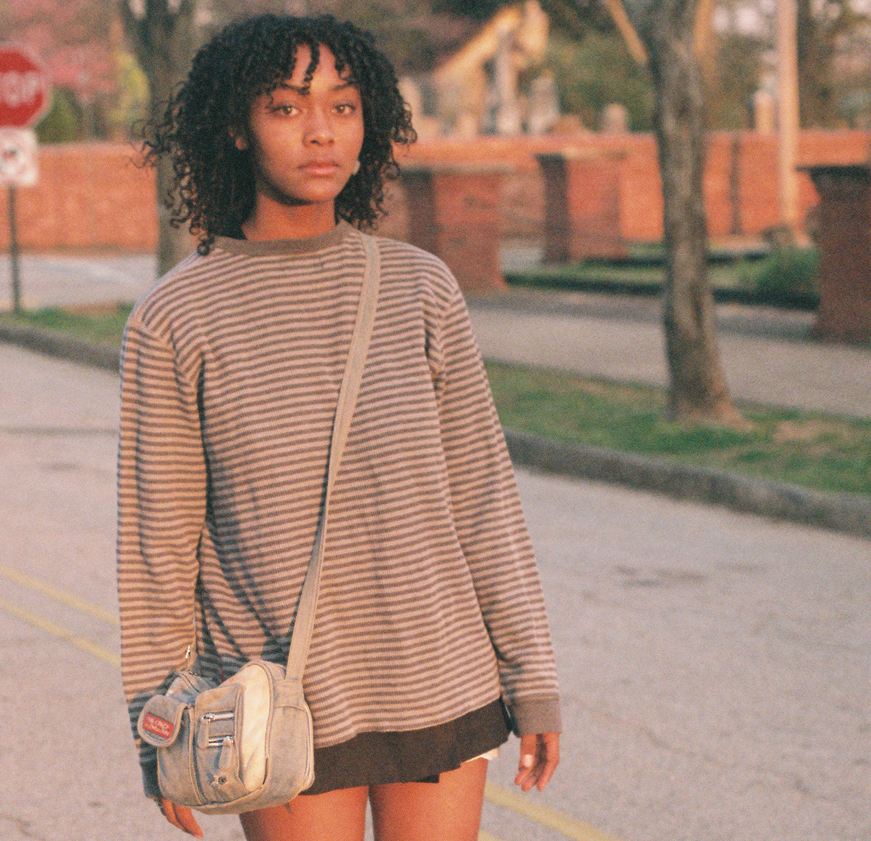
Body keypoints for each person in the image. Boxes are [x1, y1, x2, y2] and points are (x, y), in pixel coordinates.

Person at [117, 14, 561, 841]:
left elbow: (483, 500)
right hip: (277, 699)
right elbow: (158, 545)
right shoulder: (175, 317)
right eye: (286, 108)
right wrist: (158, 722)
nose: (320, 130)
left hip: (439, 677)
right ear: (237, 129)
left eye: (343, 106)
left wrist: (530, 678)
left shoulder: (420, 288)